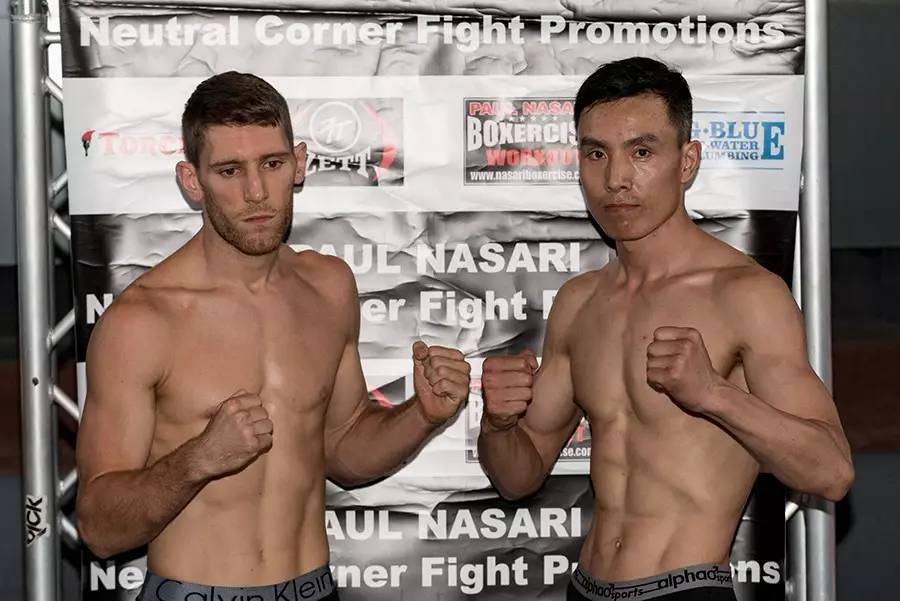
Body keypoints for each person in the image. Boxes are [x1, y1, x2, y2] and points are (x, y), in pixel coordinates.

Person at [75, 71, 471, 601]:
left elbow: (343, 450)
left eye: (272, 164)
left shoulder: (329, 288)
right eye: (229, 171)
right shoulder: (143, 321)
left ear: (299, 164)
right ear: (192, 180)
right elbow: (100, 529)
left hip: (313, 589)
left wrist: (422, 415)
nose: (256, 192)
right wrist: (198, 459)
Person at [477, 57, 854, 601]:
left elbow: (831, 472)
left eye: (642, 152)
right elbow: (518, 477)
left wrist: (715, 394)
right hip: (585, 588)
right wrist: (498, 426)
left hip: (685, 589)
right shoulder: (579, 303)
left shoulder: (745, 295)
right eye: (596, 153)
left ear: (687, 162)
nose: (616, 179)